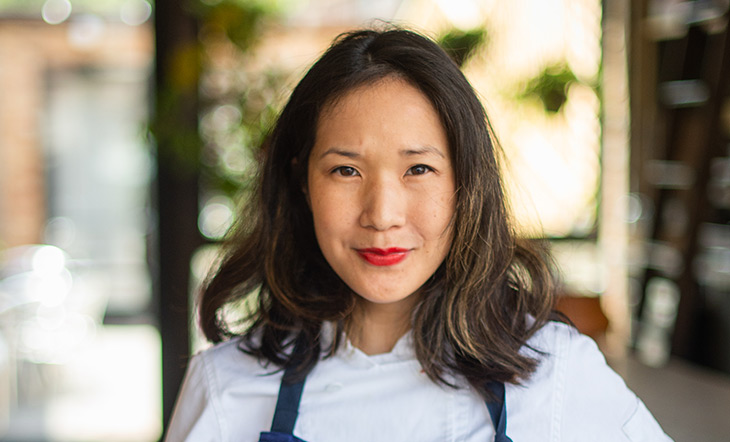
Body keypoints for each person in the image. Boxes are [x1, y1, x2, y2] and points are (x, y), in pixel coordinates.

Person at [165, 27, 673, 442]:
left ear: (465, 182)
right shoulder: (226, 386)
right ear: (302, 181)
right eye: (346, 170)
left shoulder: (556, 373)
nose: (382, 214)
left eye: (419, 169)